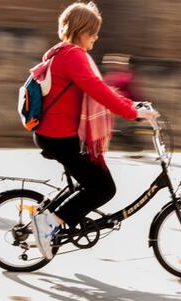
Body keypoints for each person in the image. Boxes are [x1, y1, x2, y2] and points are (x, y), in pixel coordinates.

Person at [30, 1, 158, 259]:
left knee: (89, 183)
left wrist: (133, 105)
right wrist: (134, 113)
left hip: (56, 134)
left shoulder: (60, 53)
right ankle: (49, 224)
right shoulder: (73, 55)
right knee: (103, 188)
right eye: (93, 31)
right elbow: (98, 91)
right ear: (80, 30)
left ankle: (54, 218)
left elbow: (100, 91)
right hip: (60, 138)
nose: (96, 37)